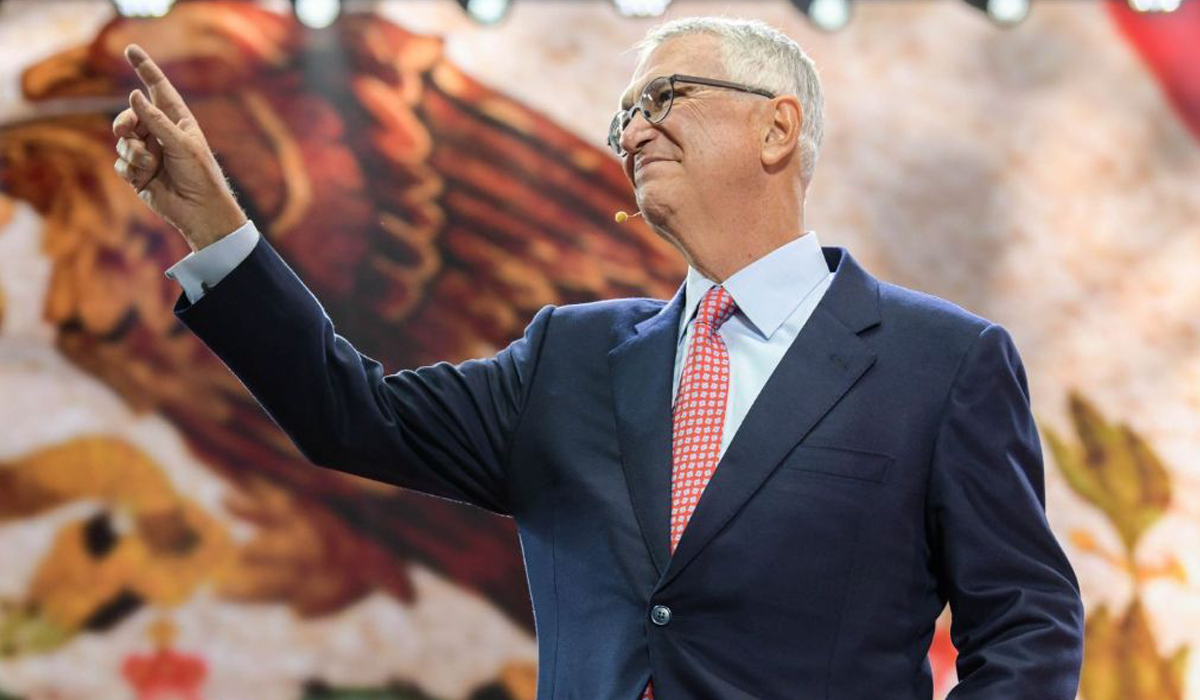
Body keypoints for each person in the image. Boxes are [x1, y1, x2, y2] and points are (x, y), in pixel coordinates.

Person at [112, 17, 1084, 700]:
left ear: (777, 128)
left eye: (664, 97)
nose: (633, 131)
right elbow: (347, 414)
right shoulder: (569, 358)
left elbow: (1027, 625)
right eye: (625, 116)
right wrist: (214, 224)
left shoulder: (939, 363)